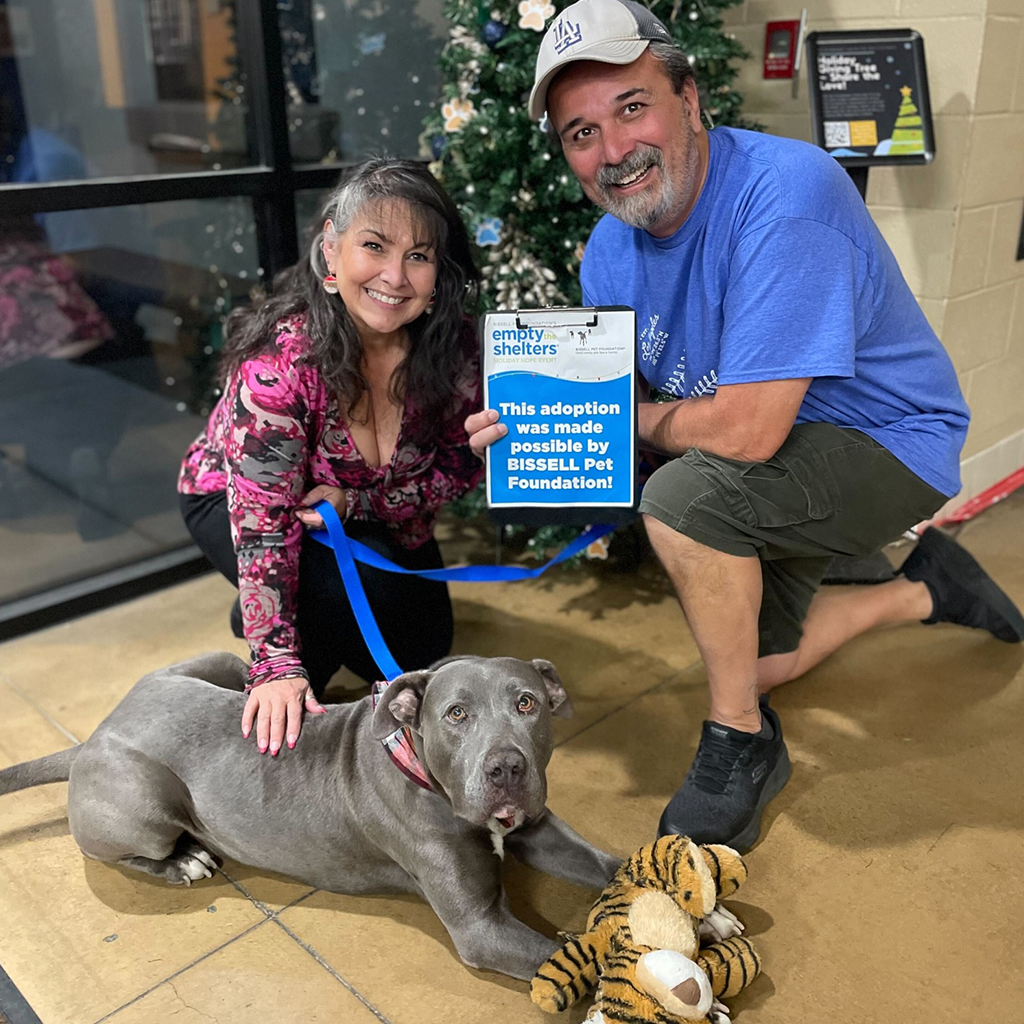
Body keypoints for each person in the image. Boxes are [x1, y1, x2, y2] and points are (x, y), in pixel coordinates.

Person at [466, 0, 1024, 853]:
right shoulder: (607, 253)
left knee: (687, 506)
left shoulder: (786, 192)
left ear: (689, 98)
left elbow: (746, 430)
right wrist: (536, 433)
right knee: (756, 657)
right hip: (775, 471)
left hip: (889, 441)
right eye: (581, 133)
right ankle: (926, 588)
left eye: (631, 107)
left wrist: (620, 425)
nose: (613, 151)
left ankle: (741, 740)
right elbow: (622, 412)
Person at [179, 158, 483, 759]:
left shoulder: (457, 349)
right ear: (331, 250)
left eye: (419, 255)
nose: (395, 276)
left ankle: (291, 602)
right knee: (333, 617)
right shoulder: (279, 364)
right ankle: (273, 616)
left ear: (438, 272)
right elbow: (264, 523)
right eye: (375, 245)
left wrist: (361, 499)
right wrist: (275, 661)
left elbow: (458, 468)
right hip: (239, 504)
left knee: (424, 643)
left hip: (365, 512)